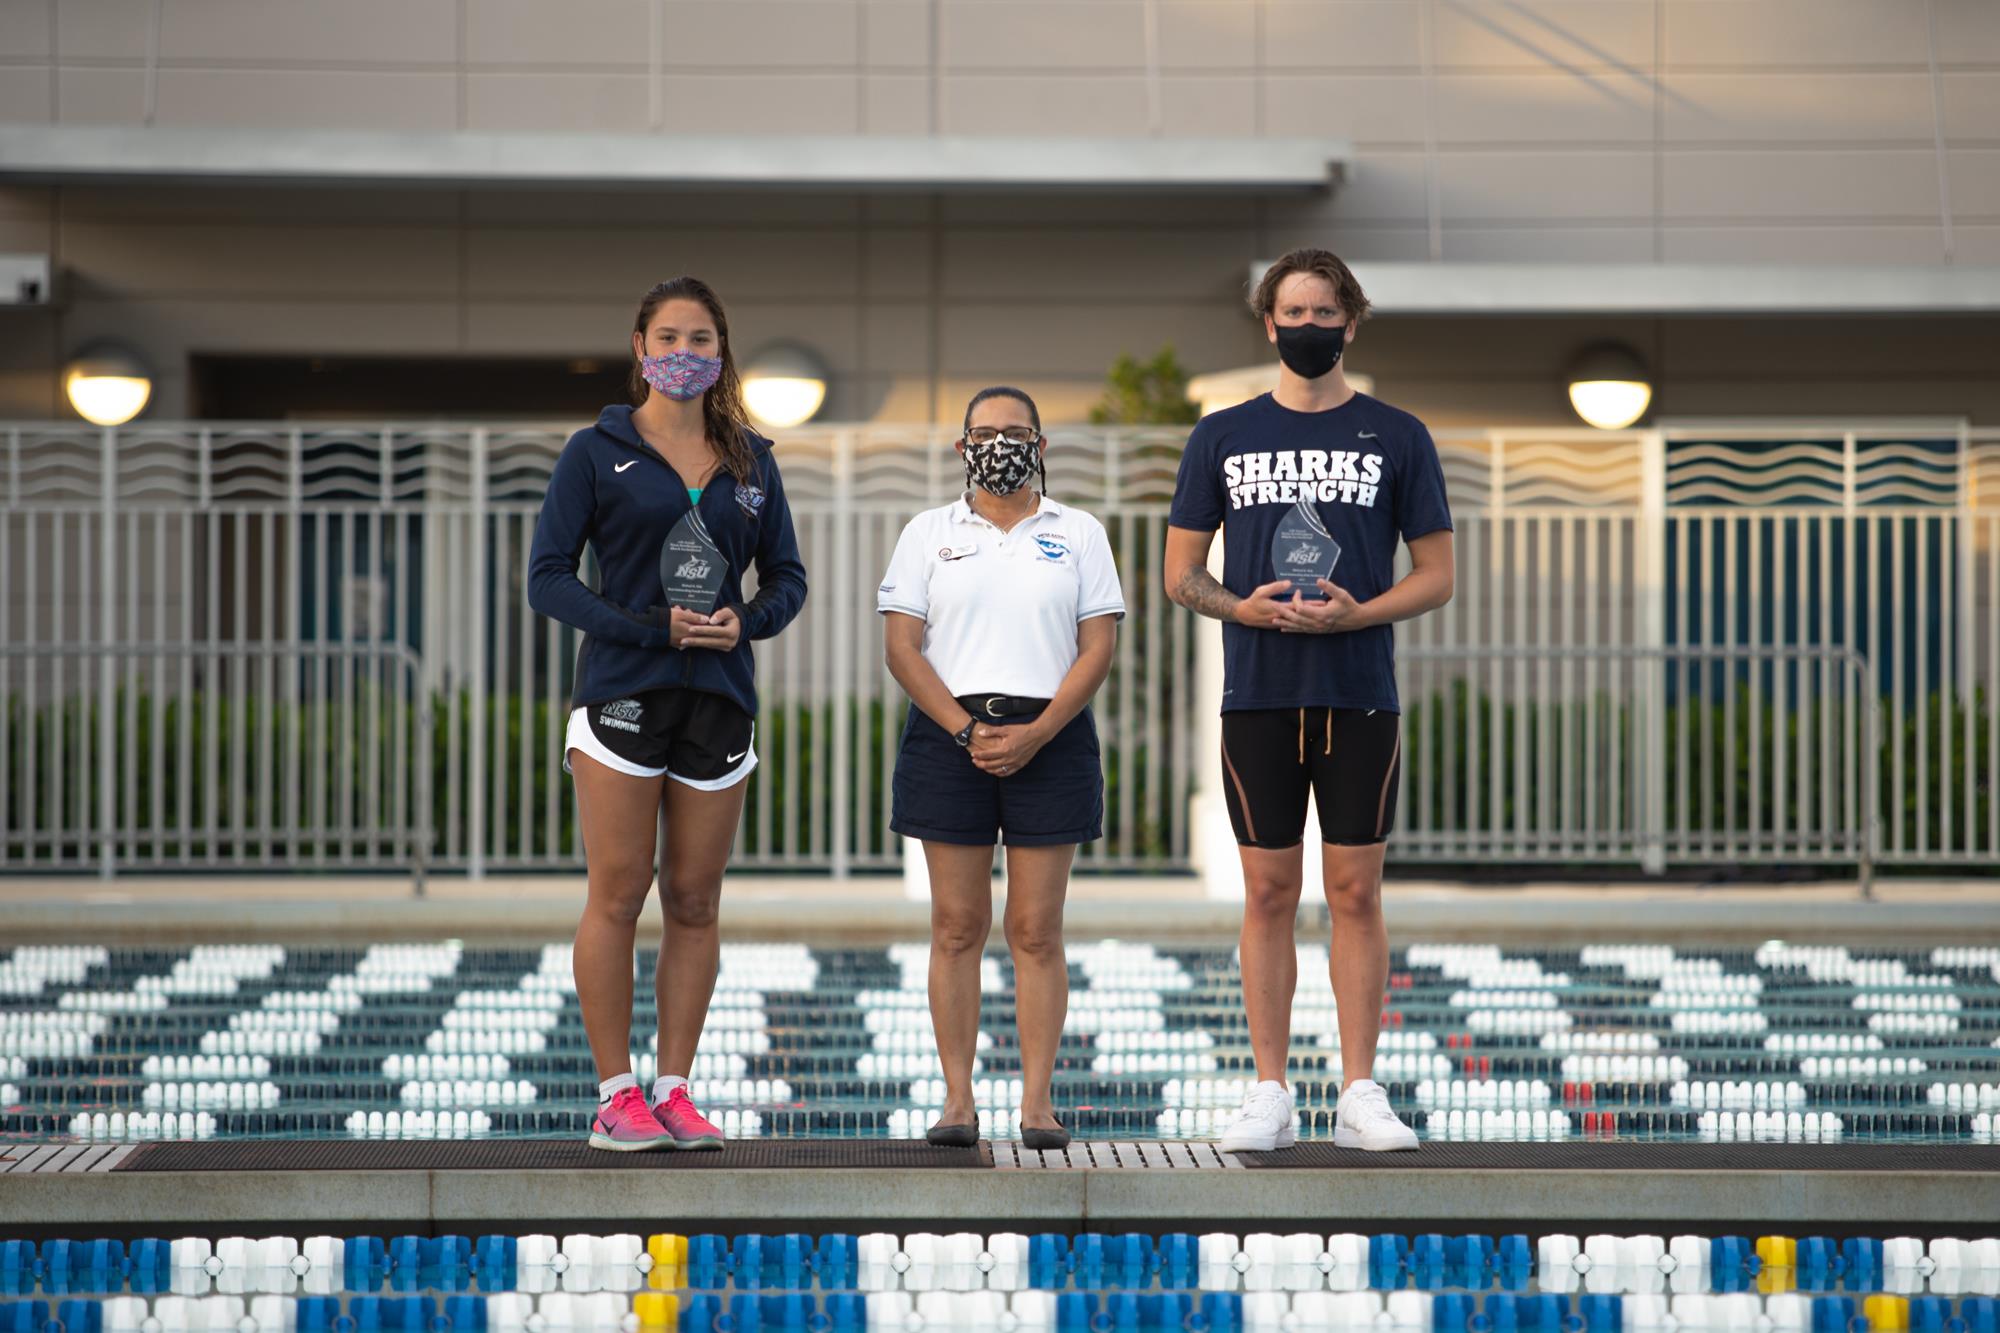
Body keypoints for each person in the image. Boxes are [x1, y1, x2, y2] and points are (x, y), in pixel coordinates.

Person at [1163, 248, 1454, 1152]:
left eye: (1326, 313)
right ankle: (1270, 1090)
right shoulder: (1221, 434)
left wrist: (1359, 613)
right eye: (1293, 312)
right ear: (1268, 323)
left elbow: (1438, 575)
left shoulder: (1397, 435)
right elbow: (1179, 573)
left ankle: (1361, 1091)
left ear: (1351, 322)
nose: (1309, 327)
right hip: (1257, 693)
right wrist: (1235, 603)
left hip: (1360, 692)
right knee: (1268, 890)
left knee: (1356, 891)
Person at [527, 276, 807, 1152]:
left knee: (693, 899)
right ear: (641, 349)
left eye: (700, 338)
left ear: (721, 353)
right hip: (620, 691)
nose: (683, 353)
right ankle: (617, 1095)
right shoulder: (594, 450)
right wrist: (645, 626)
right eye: (668, 338)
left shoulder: (752, 459)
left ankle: (674, 1089)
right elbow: (548, 578)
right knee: (619, 891)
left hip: (718, 698)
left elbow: (787, 579)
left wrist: (744, 621)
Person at [878, 387, 1124, 1150]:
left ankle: (1038, 1104)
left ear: (1041, 444)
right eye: (984, 433)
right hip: (951, 735)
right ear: (961, 448)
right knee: (957, 925)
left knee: (1035, 928)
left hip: (1051, 735)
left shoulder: (1079, 531)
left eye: (1016, 432)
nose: (1000, 444)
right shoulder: (928, 532)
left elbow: (1097, 647)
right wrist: (966, 730)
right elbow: (902, 647)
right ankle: (958, 1100)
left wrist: (1038, 732)